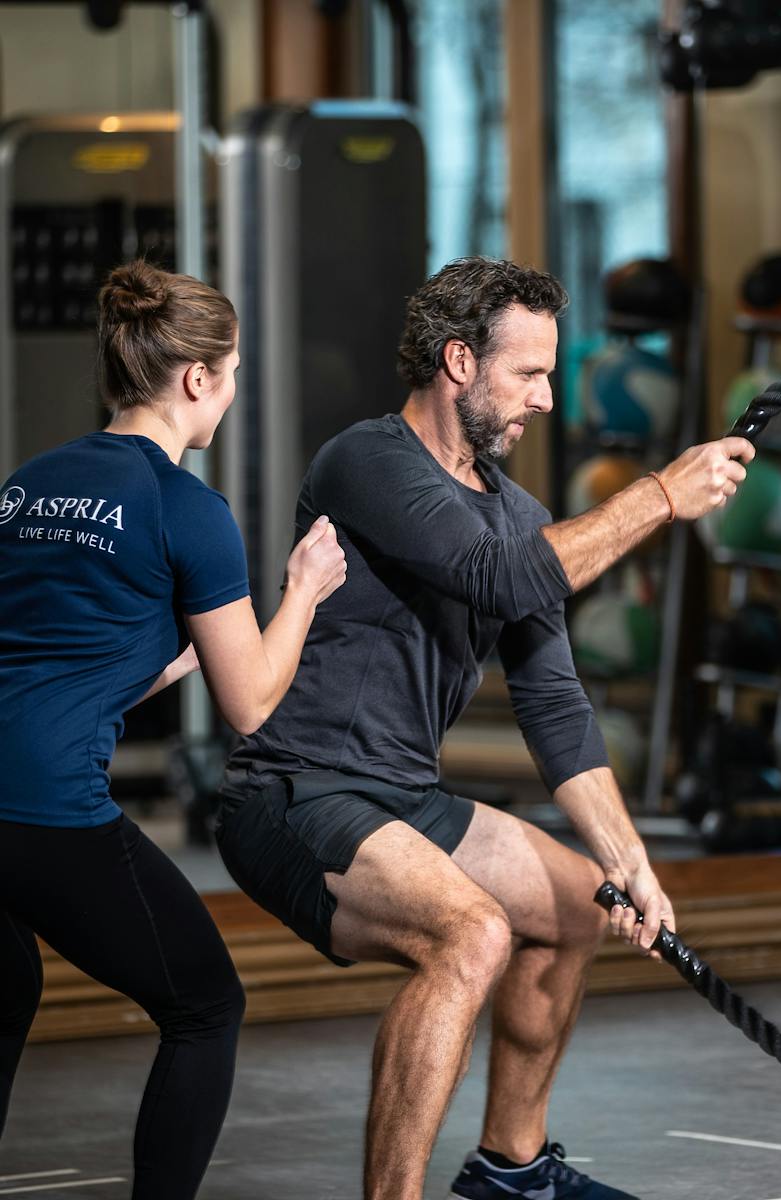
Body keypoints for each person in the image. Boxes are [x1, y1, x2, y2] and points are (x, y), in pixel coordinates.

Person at [216, 256, 753, 1200]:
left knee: (572, 908)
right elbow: (500, 578)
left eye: (551, 374)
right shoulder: (369, 462)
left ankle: (513, 1171)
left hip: (401, 800)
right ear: (459, 361)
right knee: (471, 936)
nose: (548, 399)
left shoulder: (521, 516)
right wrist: (662, 494)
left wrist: (629, 859)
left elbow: (553, 703)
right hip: (294, 793)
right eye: (530, 374)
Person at [0, 260, 346, 1200]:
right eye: (230, 375)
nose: (230, 396)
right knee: (206, 1005)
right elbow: (252, 706)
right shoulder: (189, 509)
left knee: (6, 987)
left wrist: (153, 665)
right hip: (42, 810)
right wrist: (303, 592)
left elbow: (42, 657)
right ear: (199, 379)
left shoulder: (26, 485)